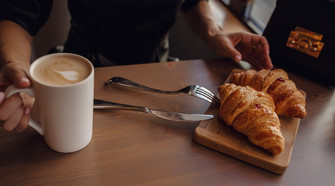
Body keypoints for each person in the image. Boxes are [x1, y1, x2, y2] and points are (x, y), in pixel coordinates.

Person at [0, 0, 273, 132]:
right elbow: (19, 12)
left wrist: (214, 34)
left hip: (157, 69)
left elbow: (191, 2)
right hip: (84, 72)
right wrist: (16, 67)